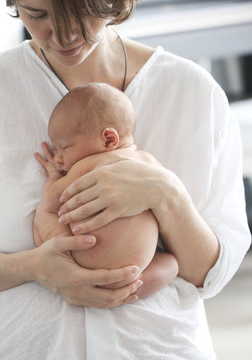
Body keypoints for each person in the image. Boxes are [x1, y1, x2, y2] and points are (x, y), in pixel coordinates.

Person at [0, 0, 252, 358]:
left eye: (85, 11)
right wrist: (34, 268)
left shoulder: (190, 91)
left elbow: (212, 274)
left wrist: (166, 195)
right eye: (37, 14)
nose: (66, 34)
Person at [33, 82, 178, 293]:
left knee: (42, 211)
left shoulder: (88, 165)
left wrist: (54, 176)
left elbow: (53, 199)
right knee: (171, 265)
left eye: (64, 148)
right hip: (134, 271)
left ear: (109, 140)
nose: (58, 158)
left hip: (81, 263)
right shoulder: (148, 162)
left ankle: (54, 251)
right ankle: (128, 290)